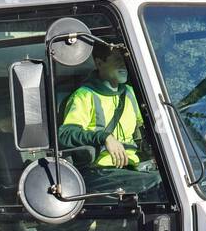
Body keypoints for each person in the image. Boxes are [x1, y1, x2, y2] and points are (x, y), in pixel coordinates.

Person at [57, 41, 160, 196]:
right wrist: (105, 137)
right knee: (158, 184)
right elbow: (65, 134)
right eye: (117, 59)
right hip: (99, 171)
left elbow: (154, 124)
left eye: (125, 59)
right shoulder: (85, 95)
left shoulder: (131, 93)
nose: (124, 65)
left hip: (132, 168)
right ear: (99, 63)